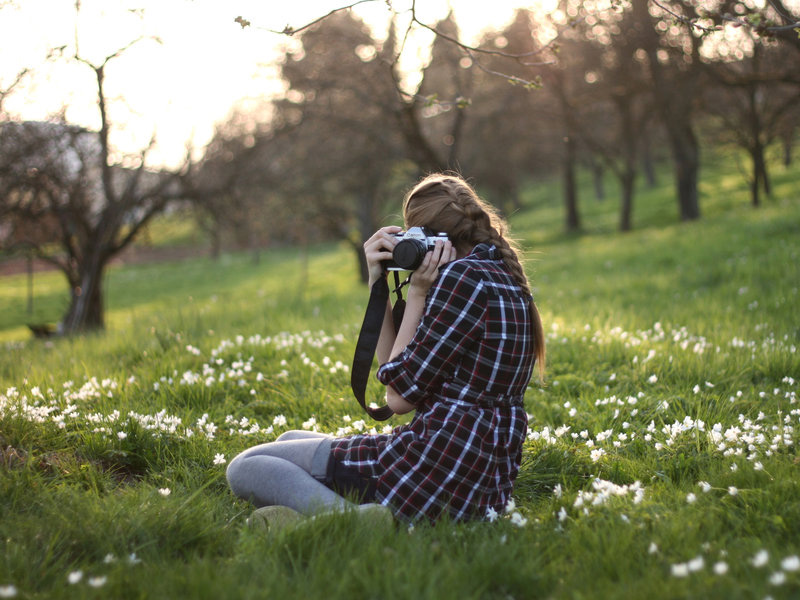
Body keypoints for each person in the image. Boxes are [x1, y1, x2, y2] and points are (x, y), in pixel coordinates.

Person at [226, 173, 545, 526]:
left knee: (244, 467)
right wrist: (379, 285)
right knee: (290, 440)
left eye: (412, 235)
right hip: (478, 483)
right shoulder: (499, 272)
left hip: (430, 470)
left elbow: (397, 398)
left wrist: (419, 293)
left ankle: (346, 521)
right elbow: (396, 366)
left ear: (432, 237)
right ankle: (326, 519)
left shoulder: (461, 279)